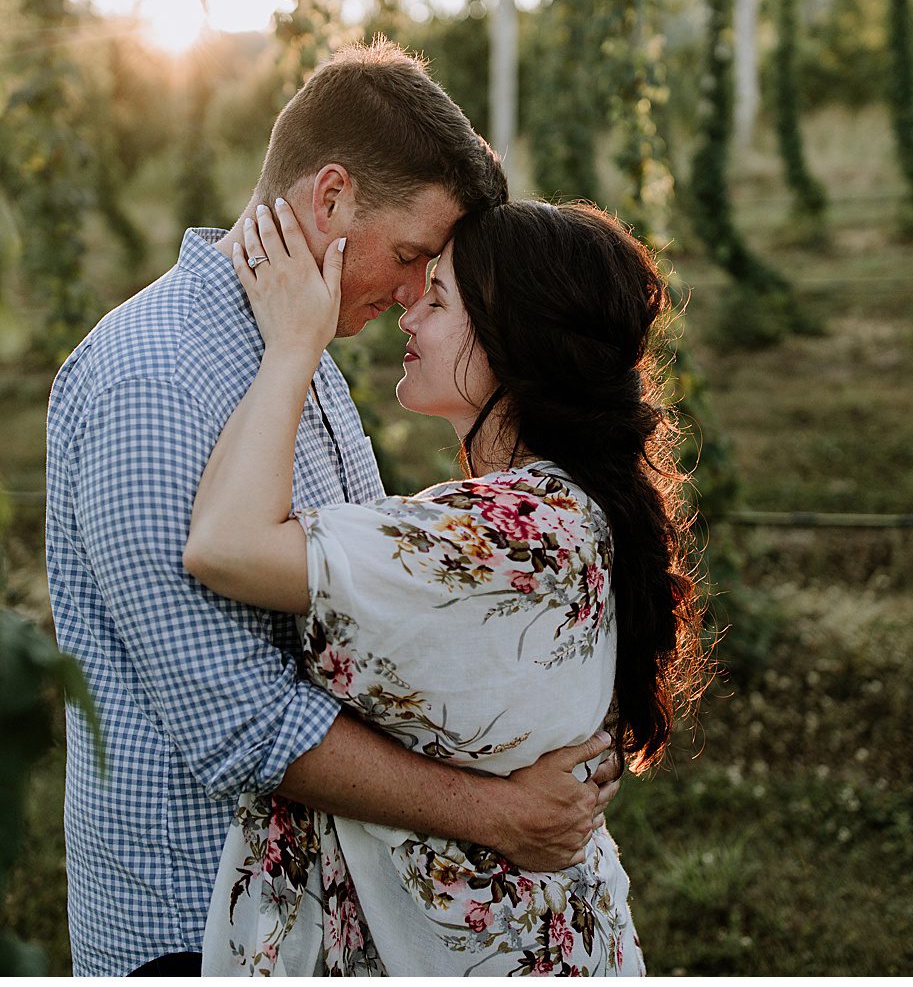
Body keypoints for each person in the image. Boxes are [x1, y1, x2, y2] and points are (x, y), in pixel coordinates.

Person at [45, 40, 622, 977]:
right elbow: (241, 722)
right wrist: (498, 812)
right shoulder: (154, 381)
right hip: (192, 929)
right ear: (330, 199)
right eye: (410, 256)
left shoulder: (296, 345)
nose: (408, 295)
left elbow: (363, 625)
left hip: (306, 924)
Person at [185, 197, 711, 974]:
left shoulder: (502, 536)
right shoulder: (574, 510)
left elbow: (225, 546)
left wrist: (293, 345)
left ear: (511, 343)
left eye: (438, 299)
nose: (408, 315)